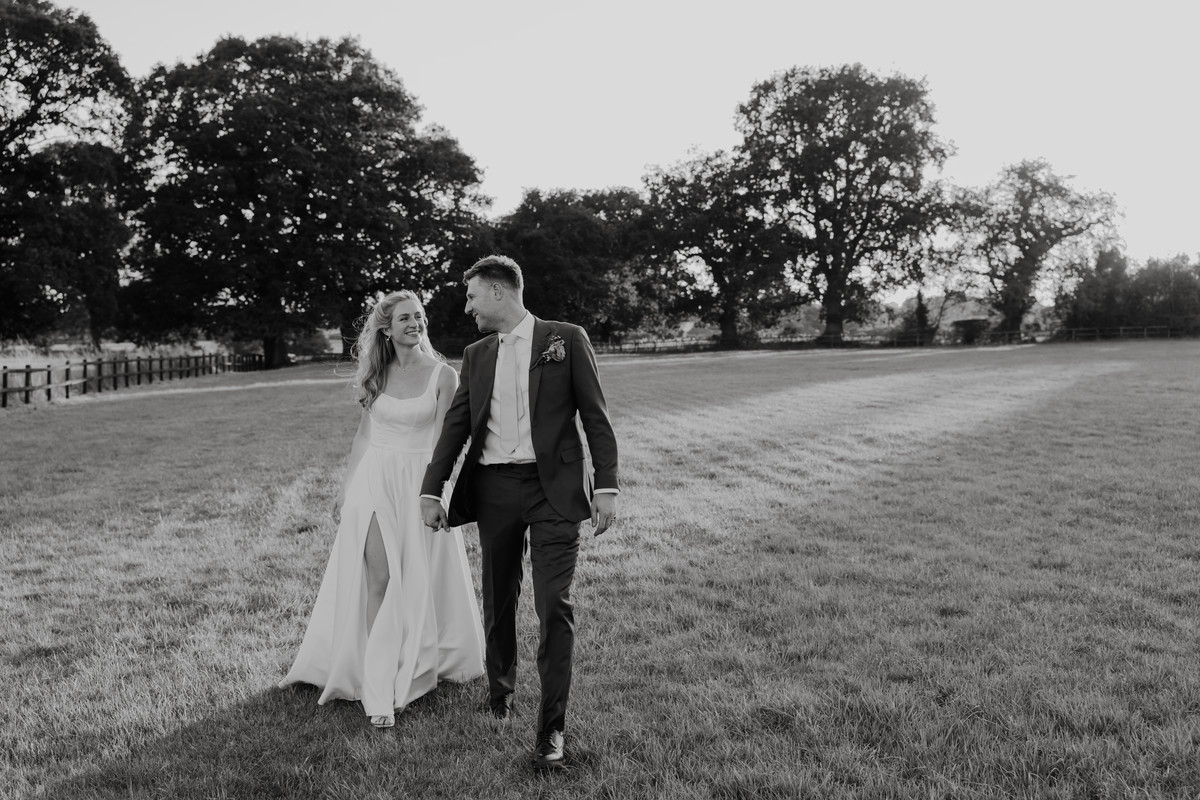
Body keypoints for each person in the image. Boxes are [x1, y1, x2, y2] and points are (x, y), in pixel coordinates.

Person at [419, 255, 619, 771]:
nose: (467, 307)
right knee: (498, 597)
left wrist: (608, 485)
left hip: (554, 490)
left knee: (555, 606)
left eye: (472, 296)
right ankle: (500, 689)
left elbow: (595, 416)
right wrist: (431, 489)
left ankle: (551, 731)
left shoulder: (565, 338)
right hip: (495, 491)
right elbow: (457, 427)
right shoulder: (477, 354)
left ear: (500, 293)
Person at [281, 290, 485, 729]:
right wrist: (345, 488)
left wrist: (439, 492)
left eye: (420, 316)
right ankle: (378, 682)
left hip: (417, 483)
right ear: (387, 329)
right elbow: (363, 436)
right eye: (405, 318)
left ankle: (412, 657)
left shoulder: (443, 376)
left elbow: (443, 443)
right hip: (373, 481)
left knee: (416, 574)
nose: (415, 323)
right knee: (380, 576)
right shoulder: (378, 374)